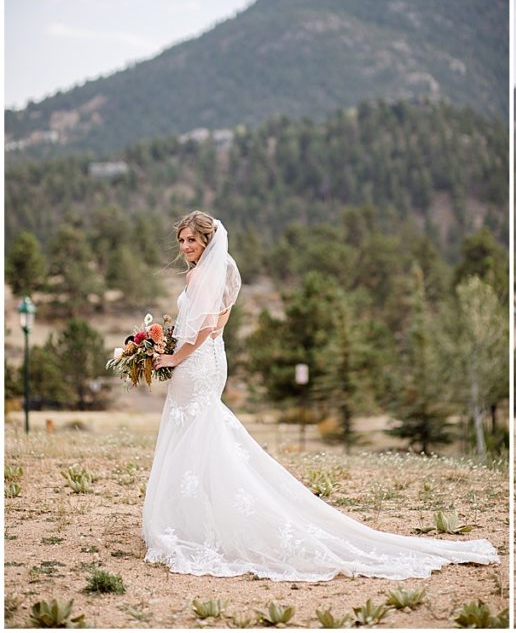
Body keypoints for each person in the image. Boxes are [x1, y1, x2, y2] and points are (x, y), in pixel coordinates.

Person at [145, 211, 498, 581]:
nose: (186, 247)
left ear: (206, 241)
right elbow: (220, 322)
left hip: (196, 361)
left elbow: (203, 327)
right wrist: (178, 344)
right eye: (182, 240)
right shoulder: (224, 270)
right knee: (202, 433)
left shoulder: (201, 274)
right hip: (211, 360)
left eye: (192, 240)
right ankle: (200, 516)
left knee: (196, 432)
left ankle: (191, 523)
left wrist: (173, 355)